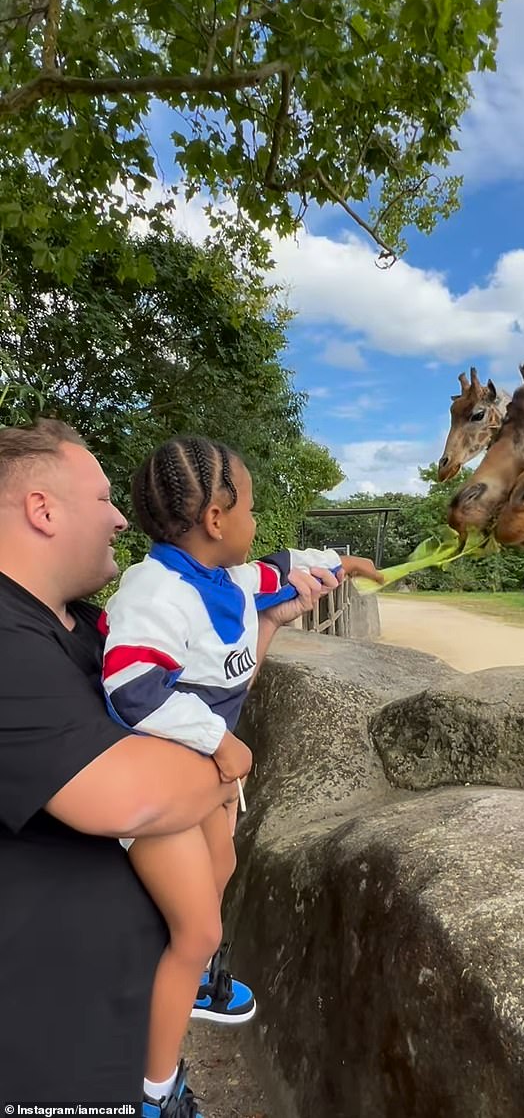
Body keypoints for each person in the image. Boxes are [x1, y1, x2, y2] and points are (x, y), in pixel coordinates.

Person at [0, 419, 345, 1108]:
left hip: (110, 1027)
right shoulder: (8, 641)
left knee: (213, 886)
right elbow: (135, 799)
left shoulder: (77, 622)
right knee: (202, 924)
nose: (122, 516)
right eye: (102, 498)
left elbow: (201, 697)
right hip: (56, 1068)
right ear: (42, 509)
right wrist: (222, 761)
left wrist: (266, 626)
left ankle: (173, 1041)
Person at [100, 435, 383, 1113]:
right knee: (198, 928)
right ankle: (154, 1091)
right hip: (154, 784)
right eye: (251, 507)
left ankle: (191, 976)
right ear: (217, 520)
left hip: (205, 778)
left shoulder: (226, 578)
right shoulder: (156, 592)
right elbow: (130, 683)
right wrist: (215, 741)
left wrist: (339, 563)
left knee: (222, 864)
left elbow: (281, 569)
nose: (260, 524)